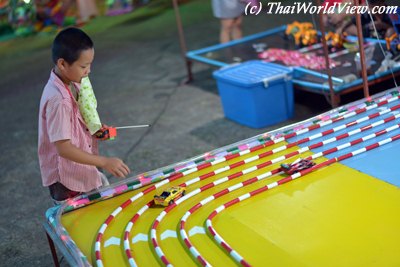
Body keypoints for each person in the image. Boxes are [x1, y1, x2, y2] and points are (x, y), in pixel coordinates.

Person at [38, 27, 131, 202]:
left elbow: (77, 122)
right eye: (83, 66)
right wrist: (104, 162)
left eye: (90, 64)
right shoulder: (59, 100)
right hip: (67, 179)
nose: (89, 70)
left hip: (84, 166)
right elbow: (63, 148)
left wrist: (93, 130)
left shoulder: (73, 82)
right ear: (62, 64)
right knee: (76, 221)